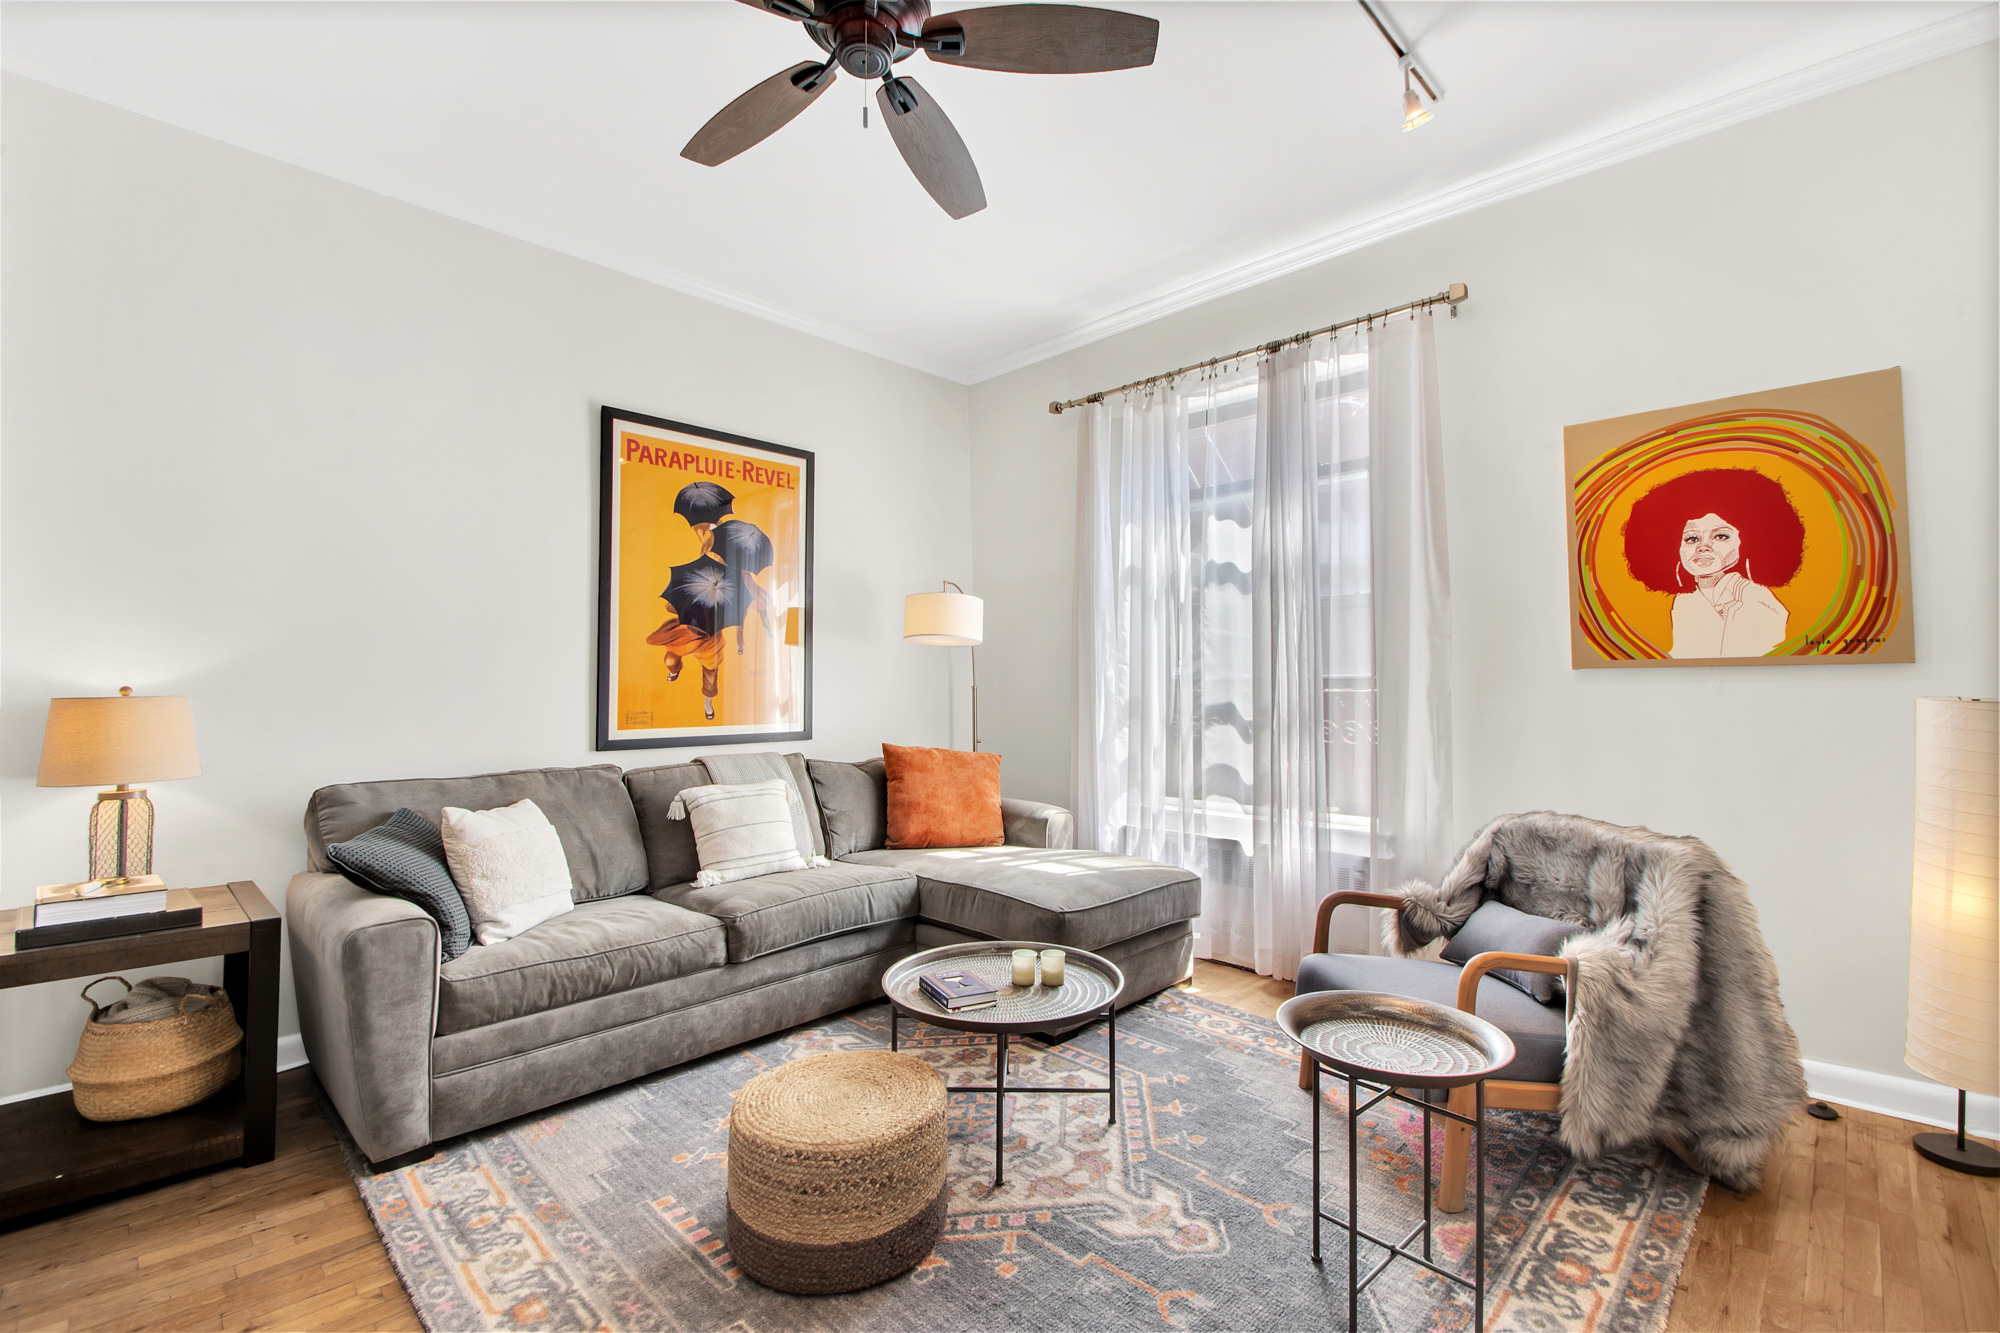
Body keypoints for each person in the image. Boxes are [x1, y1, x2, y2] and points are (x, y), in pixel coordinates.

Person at [1620, 468, 1806, 659]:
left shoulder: (1755, 599)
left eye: (1720, 536)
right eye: (1692, 539)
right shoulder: (1684, 602)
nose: (1703, 547)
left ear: (1748, 541)